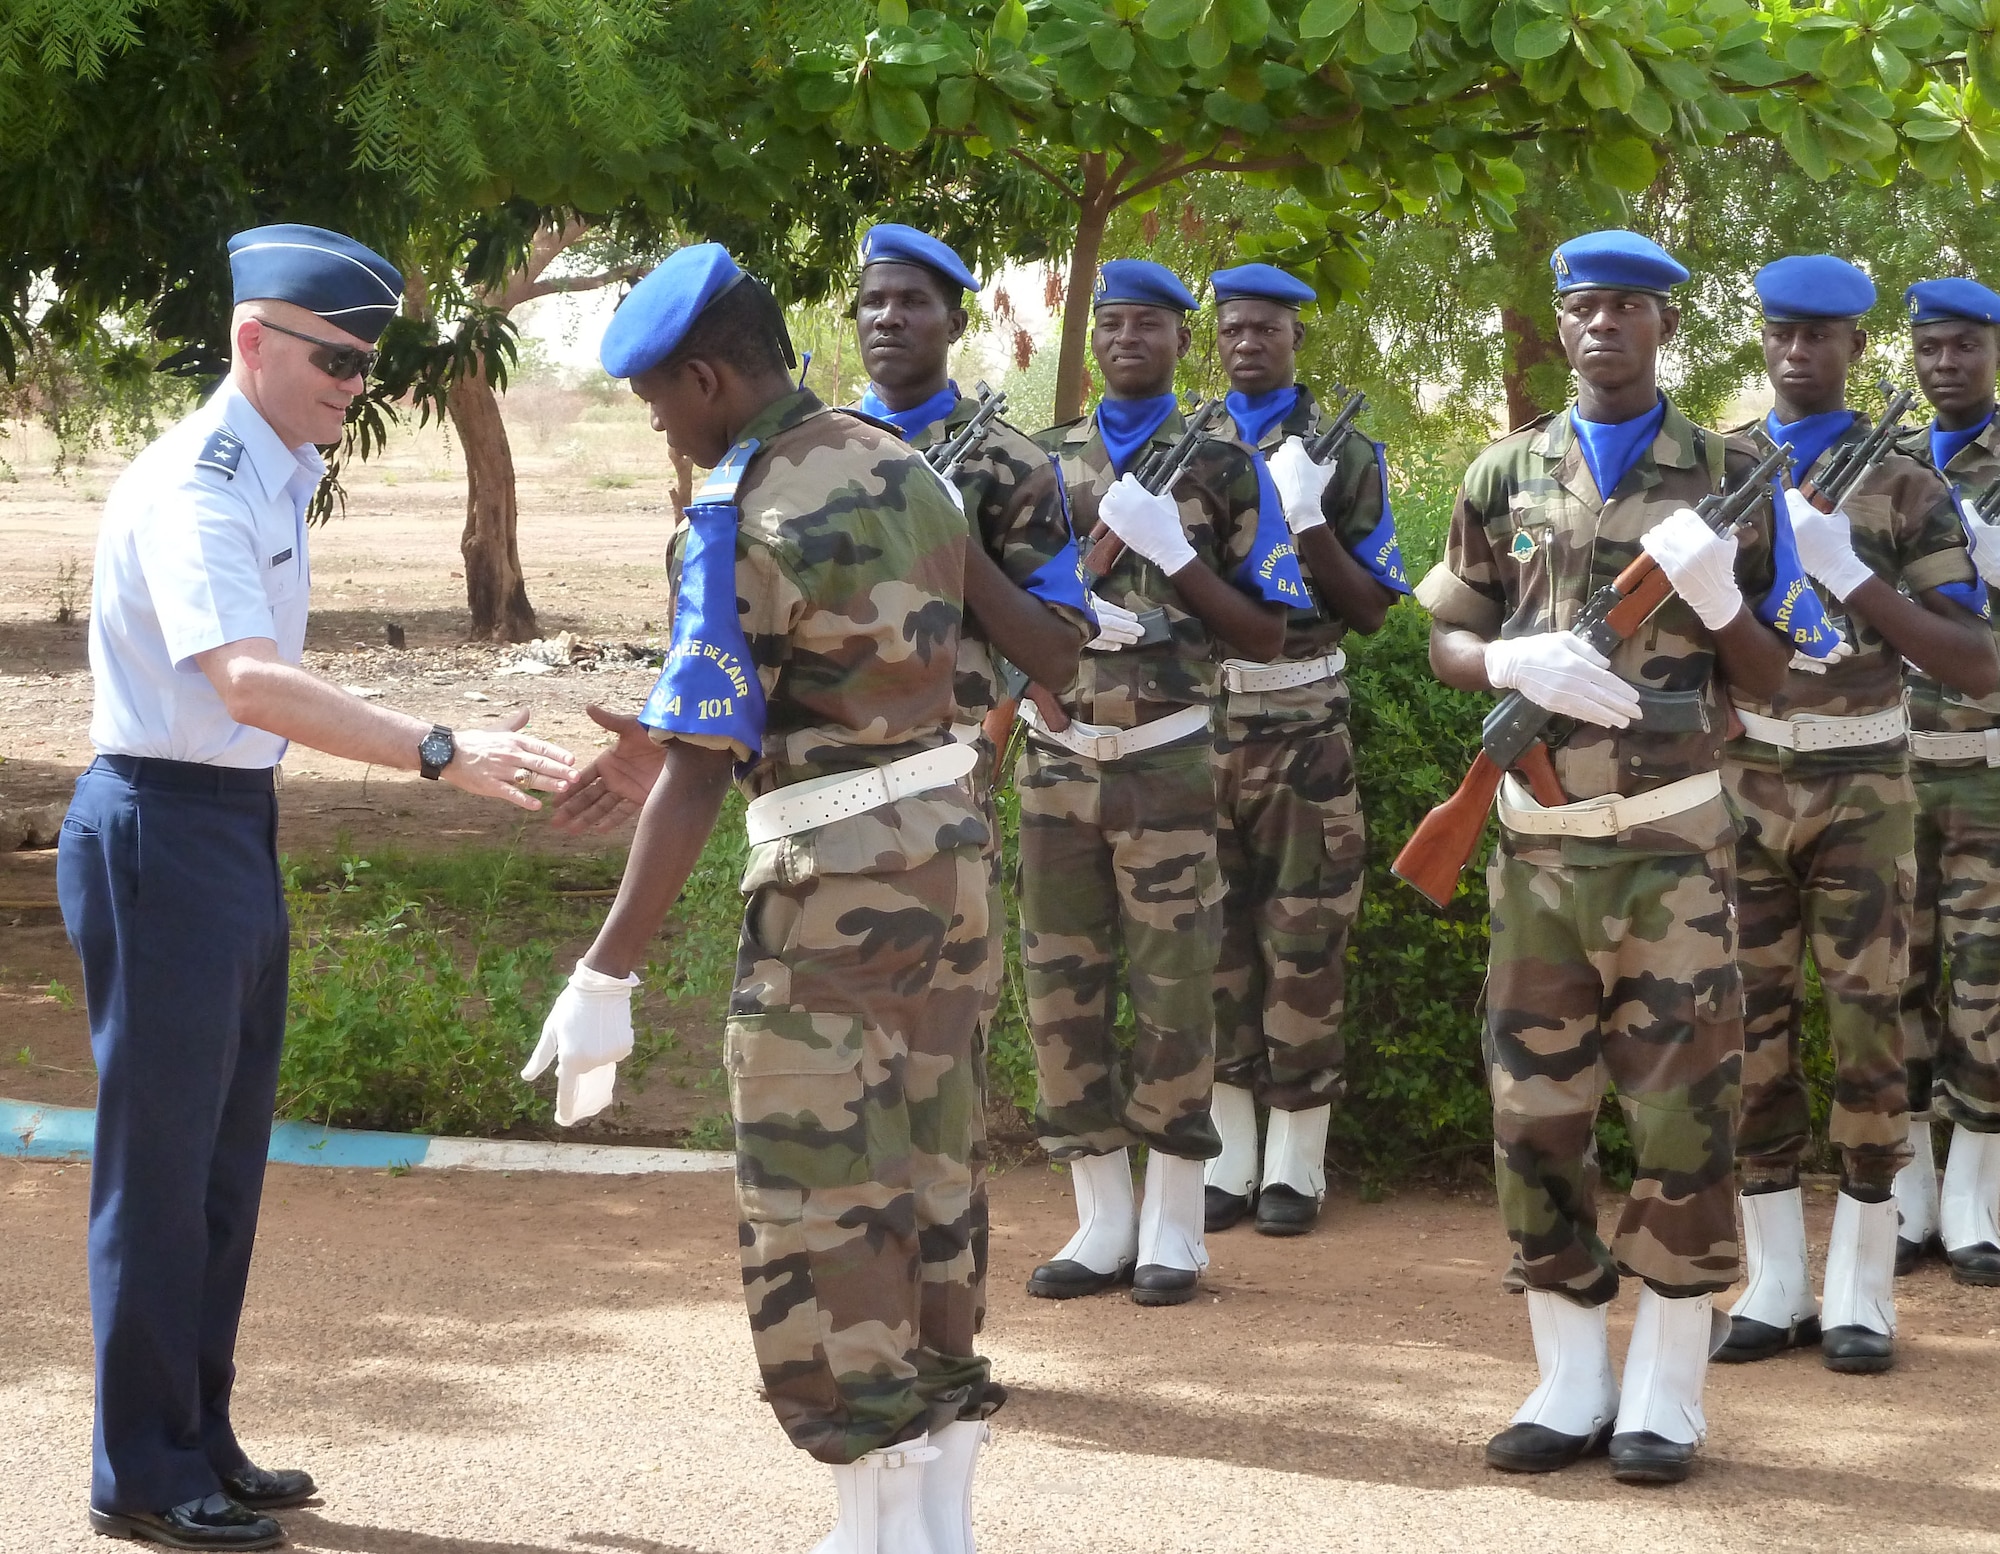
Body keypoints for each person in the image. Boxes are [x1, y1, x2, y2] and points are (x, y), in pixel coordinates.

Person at [59, 223, 575, 1550]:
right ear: (255, 342)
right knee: (159, 1168)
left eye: (369, 362)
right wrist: (437, 748)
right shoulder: (201, 483)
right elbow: (244, 678)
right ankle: (139, 1464)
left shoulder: (278, 471)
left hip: (229, 819)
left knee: (224, 1160)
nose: (359, 383)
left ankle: (198, 1431)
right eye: (337, 357)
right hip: (160, 823)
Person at [539, 242, 996, 1554]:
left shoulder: (736, 517)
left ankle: (873, 1528)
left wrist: (605, 973)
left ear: (707, 378)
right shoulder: (905, 464)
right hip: (951, 867)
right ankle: (938, 1524)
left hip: (830, 899)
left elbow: (694, 779)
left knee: (821, 1203)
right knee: (931, 1181)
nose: (665, 431)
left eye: (660, 405)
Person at [1417, 230, 1793, 1483]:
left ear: (1662, 328)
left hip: (1671, 859)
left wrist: (1724, 601)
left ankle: (1665, 1393)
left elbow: (1780, 675)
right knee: (1534, 1120)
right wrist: (1505, 664)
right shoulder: (1501, 468)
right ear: (1561, 319)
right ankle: (1569, 1376)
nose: (1601, 327)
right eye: (1583, 306)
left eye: (1628, 307)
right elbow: (1445, 634)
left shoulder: (1733, 473)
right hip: (1534, 860)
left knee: (1681, 1118)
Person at [1717, 256, 1996, 1379]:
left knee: (1873, 1033)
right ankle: (1773, 1274)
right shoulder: (1715, 469)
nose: (1797, 354)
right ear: (1761, 340)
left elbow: (1972, 663)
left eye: (1821, 336)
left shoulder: (1902, 486)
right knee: (1747, 1036)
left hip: (1865, 782)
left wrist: (1854, 579)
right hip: (1741, 785)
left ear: (1853, 350)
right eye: (1781, 333)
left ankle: (1860, 1287)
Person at [1018, 259, 1303, 1308]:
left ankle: (1174, 1226)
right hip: (1057, 764)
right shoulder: (1042, 463)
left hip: (1171, 761)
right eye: (1112, 323)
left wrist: (1176, 562)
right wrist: (1055, 665)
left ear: (1185, 343)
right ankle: (1100, 1220)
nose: (1127, 338)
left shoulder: (1229, 468)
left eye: (1149, 325)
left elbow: (1267, 631)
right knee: (1060, 993)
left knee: (1177, 994)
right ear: (1091, 338)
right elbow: (1001, 609)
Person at [849, 222, 1095, 1337]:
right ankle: (856, 1325)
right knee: (830, 1082)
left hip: (941, 799)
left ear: (953, 321)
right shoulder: (815, 450)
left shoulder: (1008, 466)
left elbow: (1056, 653)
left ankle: (943, 1333)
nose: (887, 319)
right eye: (871, 302)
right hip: (814, 808)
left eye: (910, 302)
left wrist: (956, 542)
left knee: (938, 1075)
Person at [1199, 263, 1405, 1238]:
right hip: (1192, 733)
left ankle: (1295, 1160)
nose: (1246, 342)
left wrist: (1309, 515)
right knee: (1208, 944)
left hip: (1301, 732)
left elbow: (1368, 611)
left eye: (1264, 329)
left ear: (1292, 340)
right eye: (1232, 328)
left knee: (1303, 944)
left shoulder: (1345, 454)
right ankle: (1227, 1149)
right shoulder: (1178, 448)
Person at [1892, 276, 2000, 1286]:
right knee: (1893, 981)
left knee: (1985, 987)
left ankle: (1975, 1191)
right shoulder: (1878, 462)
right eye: (1929, 348)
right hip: (1889, 768)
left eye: (1962, 347)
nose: (1944, 366)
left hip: (1987, 773)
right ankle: (1909, 1187)